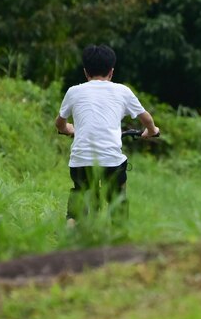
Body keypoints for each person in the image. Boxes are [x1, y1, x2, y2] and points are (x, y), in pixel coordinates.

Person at [55, 44, 159, 226]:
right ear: (111, 72)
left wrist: (69, 129)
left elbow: (60, 123)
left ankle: (70, 230)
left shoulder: (74, 91)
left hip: (81, 160)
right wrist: (151, 131)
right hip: (111, 160)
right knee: (118, 200)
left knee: (79, 200)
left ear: (86, 72)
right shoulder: (123, 91)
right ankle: (118, 238)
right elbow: (147, 119)